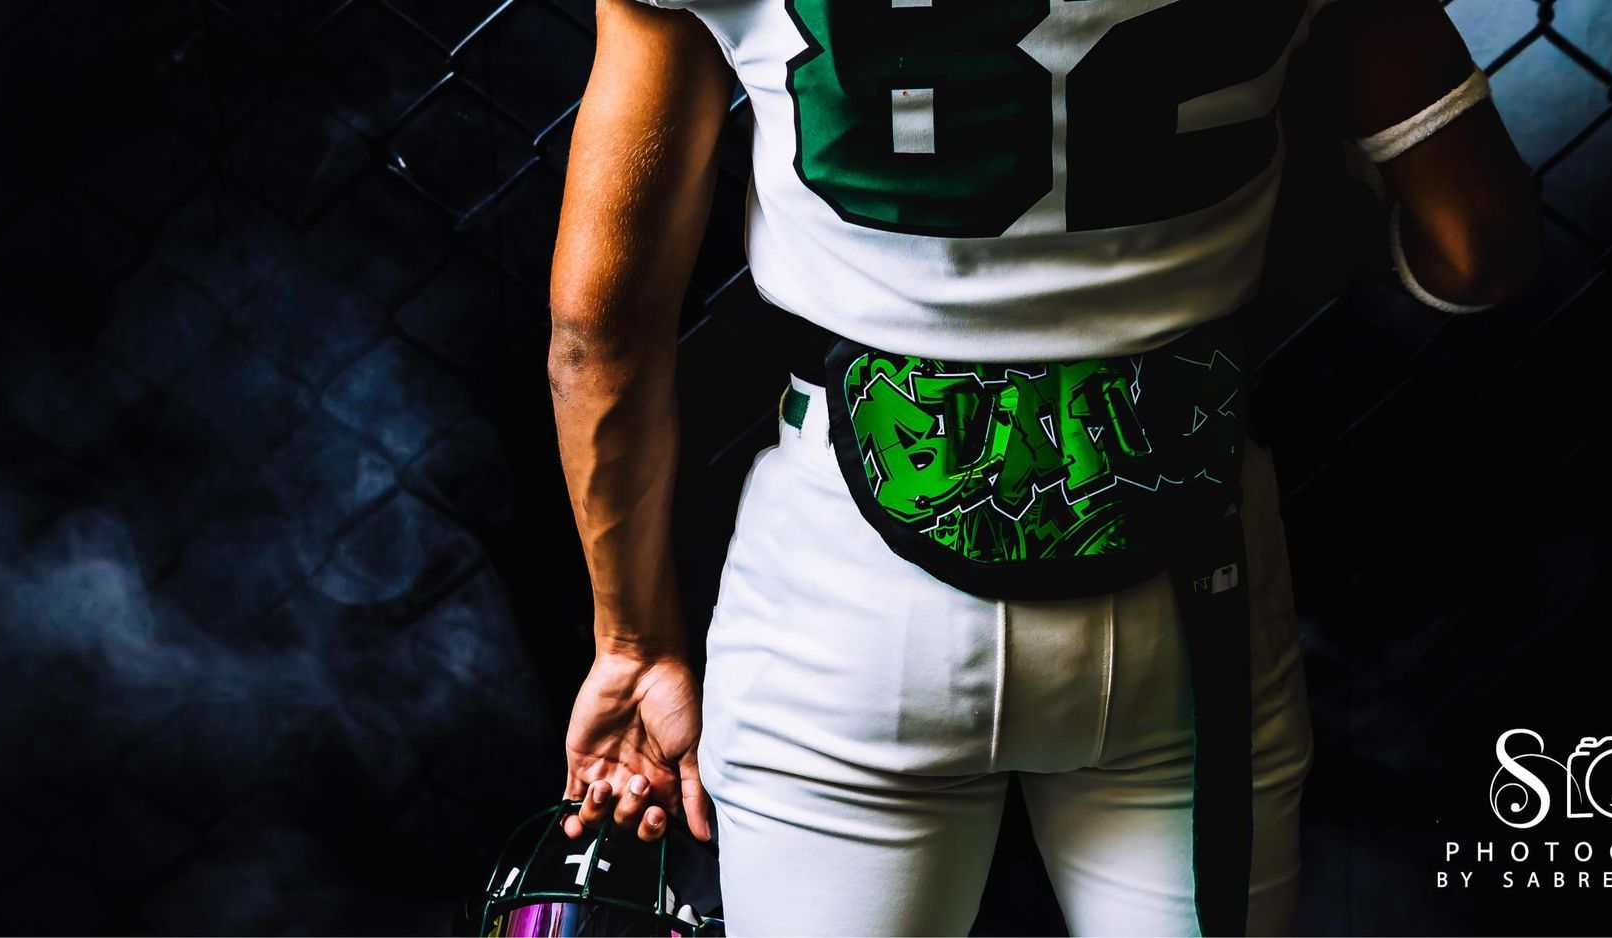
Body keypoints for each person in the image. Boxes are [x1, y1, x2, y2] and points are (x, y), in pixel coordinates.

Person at [543, 0, 1539, 933]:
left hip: (847, 570)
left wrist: (631, 637)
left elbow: (601, 326)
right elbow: (1475, 247)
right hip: (1187, 556)